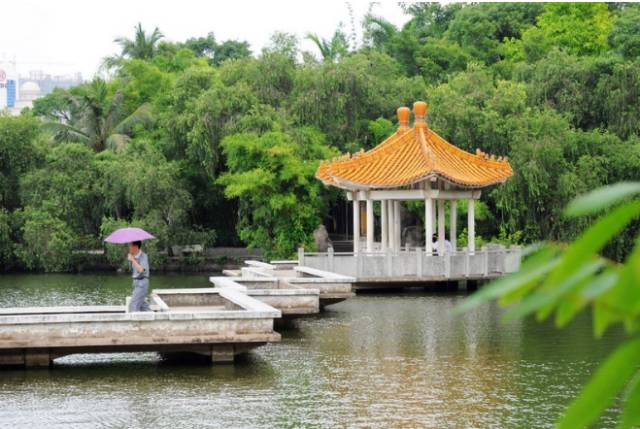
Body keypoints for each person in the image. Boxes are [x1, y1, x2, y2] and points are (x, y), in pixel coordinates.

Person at [128, 240, 151, 312]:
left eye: (130, 246)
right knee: (143, 306)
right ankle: (156, 320)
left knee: (133, 305)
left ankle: (134, 323)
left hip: (142, 283)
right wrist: (132, 258)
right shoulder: (134, 256)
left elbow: (141, 270)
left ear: (136, 247)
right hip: (136, 283)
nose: (129, 248)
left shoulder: (143, 256)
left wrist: (133, 260)